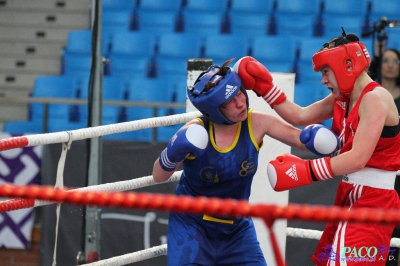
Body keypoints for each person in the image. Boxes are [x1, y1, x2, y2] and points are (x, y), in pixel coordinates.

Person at [234, 30, 400, 265]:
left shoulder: (375, 98)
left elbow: (358, 158)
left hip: (374, 201)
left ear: (347, 65)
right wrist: (265, 88)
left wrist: (304, 171)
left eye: (325, 72)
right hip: (349, 193)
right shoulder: (343, 98)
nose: (323, 80)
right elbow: (299, 116)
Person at [152, 58, 339, 265]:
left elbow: (302, 140)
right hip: (192, 228)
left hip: (237, 229)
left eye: (239, 93)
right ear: (214, 110)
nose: (240, 102)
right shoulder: (194, 132)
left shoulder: (256, 122)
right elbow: (158, 176)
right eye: (229, 101)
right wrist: (172, 152)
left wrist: (319, 139)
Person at [369, 42, 400, 266]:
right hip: (373, 167)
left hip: (396, 167)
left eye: (395, 61)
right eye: (386, 60)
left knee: (395, 226)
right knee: (373, 226)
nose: (390, 66)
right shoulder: (370, 93)